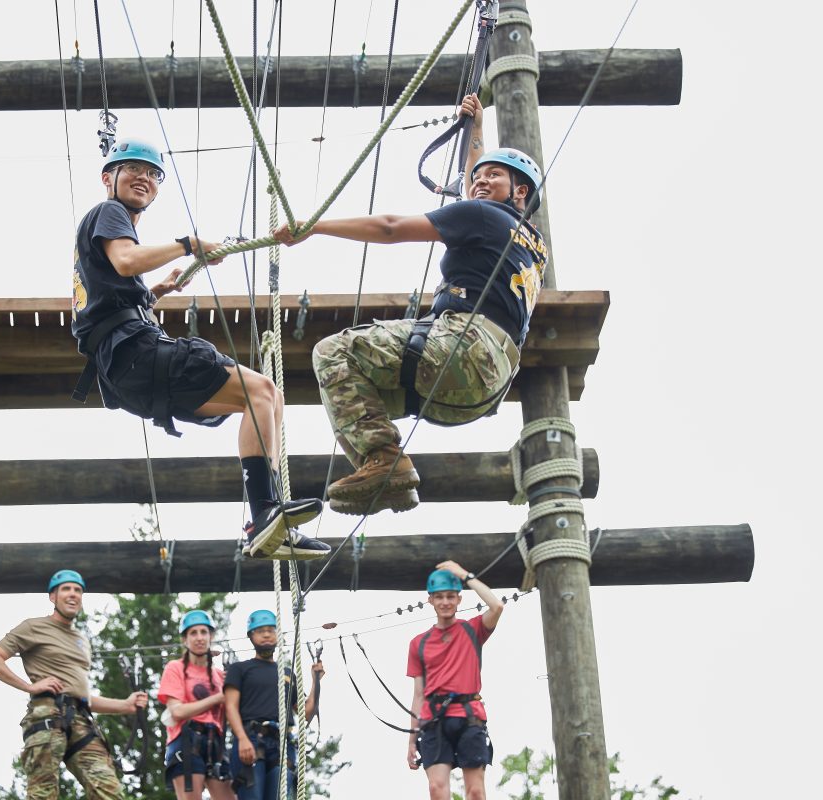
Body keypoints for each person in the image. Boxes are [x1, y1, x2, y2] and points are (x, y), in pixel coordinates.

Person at [273, 95, 548, 515]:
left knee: (334, 353)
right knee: (359, 396)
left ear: (520, 191)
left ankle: (384, 462)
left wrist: (313, 227)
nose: (479, 182)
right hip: (479, 389)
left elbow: (390, 228)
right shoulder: (532, 245)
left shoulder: (484, 216)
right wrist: (474, 130)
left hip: (462, 349)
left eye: (493, 176)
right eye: (478, 177)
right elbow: (479, 184)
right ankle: (383, 465)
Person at [69, 138, 328, 560]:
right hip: (138, 357)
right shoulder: (109, 213)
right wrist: (188, 244)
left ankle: (267, 520)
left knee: (265, 399)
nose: (144, 178)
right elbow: (126, 262)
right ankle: (265, 512)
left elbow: (111, 296)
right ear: (107, 178)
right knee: (262, 393)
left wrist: (157, 291)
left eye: (153, 174)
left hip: (128, 377)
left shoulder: (96, 248)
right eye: (133, 169)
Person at [0, 569, 149, 800]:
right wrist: (29, 687)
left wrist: (125, 705)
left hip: (81, 719)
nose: (73, 594)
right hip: (47, 715)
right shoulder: (34, 627)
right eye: (66, 589)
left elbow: (83, 696)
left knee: (109, 791)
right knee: (43, 793)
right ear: (53, 597)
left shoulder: (81, 639)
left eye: (78, 590)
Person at [407, 562, 504, 800]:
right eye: (439, 597)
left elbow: (497, 605)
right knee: (436, 789)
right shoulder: (418, 643)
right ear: (430, 600)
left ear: (459, 599)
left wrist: (463, 574)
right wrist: (411, 739)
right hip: (434, 720)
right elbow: (418, 695)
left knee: (475, 791)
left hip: (469, 717)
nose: (445, 602)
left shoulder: (473, 630)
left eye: (451, 596)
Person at [223, 610, 323, 800]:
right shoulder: (240, 669)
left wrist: (316, 681)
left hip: (281, 744)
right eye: (260, 631)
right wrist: (242, 739)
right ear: (251, 636)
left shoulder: (287, 673)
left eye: (270, 630)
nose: (267, 634)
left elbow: (305, 714)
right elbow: (230, 707)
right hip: (251, 738)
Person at [157, 609, 236, 800]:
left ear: (211, 636)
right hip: (187, 740)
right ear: (185, 639)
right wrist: (216, 698)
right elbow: (177, 712)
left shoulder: (218, 676)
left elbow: (233, 711)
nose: (199, 638)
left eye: (204, 632)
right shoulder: (175, 668)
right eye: (193, 633)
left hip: (215, 744)